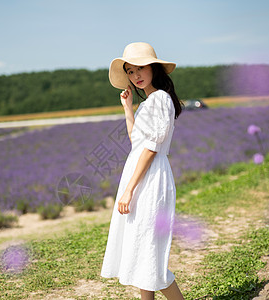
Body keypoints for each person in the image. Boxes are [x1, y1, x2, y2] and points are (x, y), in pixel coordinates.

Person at [101, 42, 184, 300]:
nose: (135, 75)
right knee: (141, 251)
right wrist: (127, 109)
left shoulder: (159, 99)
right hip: (141, 175)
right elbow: (137, 141)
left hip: (149, 178)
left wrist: (128, 190)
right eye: (130, 71)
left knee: (149, 255)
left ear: (153, 68)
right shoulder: (149, 102)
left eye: (140, 68)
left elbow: (150, 148)